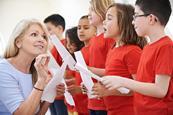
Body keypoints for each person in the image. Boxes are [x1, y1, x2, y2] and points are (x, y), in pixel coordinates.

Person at [101, 0, 173, 115]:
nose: (133, 22)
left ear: (151, 19)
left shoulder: (166, 46)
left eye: (136, 16)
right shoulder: (148, 47)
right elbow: (141, 84)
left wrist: (122, 81)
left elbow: (160, 90)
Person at [92, 3, 147, 115]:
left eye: (109, 18)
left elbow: (140, 88)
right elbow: (113, 76)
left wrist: (108, 91)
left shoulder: (133, 51)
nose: (104, 22)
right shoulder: (113, 50)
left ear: (123, 23)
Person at [0, 19, 51, 115]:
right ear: (18, 42)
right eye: (34, 34)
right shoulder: (3, 69)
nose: (42, 40)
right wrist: (41, 81)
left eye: (44, 36)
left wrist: (51, 94)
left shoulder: (36, 71)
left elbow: (36, 113)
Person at [86, 0, 115, 115]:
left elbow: (113, 71)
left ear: (103, 11)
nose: (89, 14)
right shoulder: (93, 39)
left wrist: (88, 70)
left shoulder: (109, 38)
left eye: (92, 10)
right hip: (93, 97)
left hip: (105, 99)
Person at [67, 15, 96, 115]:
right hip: (81, 103)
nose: (81, 31)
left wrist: (80, 89)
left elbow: (94, 76)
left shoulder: (95, 49)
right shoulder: (82, 51)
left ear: (95, 30)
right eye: (79, 28)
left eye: (86, 27)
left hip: (91, 101)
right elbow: (81, 76)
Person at [44, 14, 68, 115]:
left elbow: (64, 70)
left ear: (59, 28)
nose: (47, 33)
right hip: (51, 93)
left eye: (49, 29)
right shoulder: (52, 48)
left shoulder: (64, 45)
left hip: (61, 93)